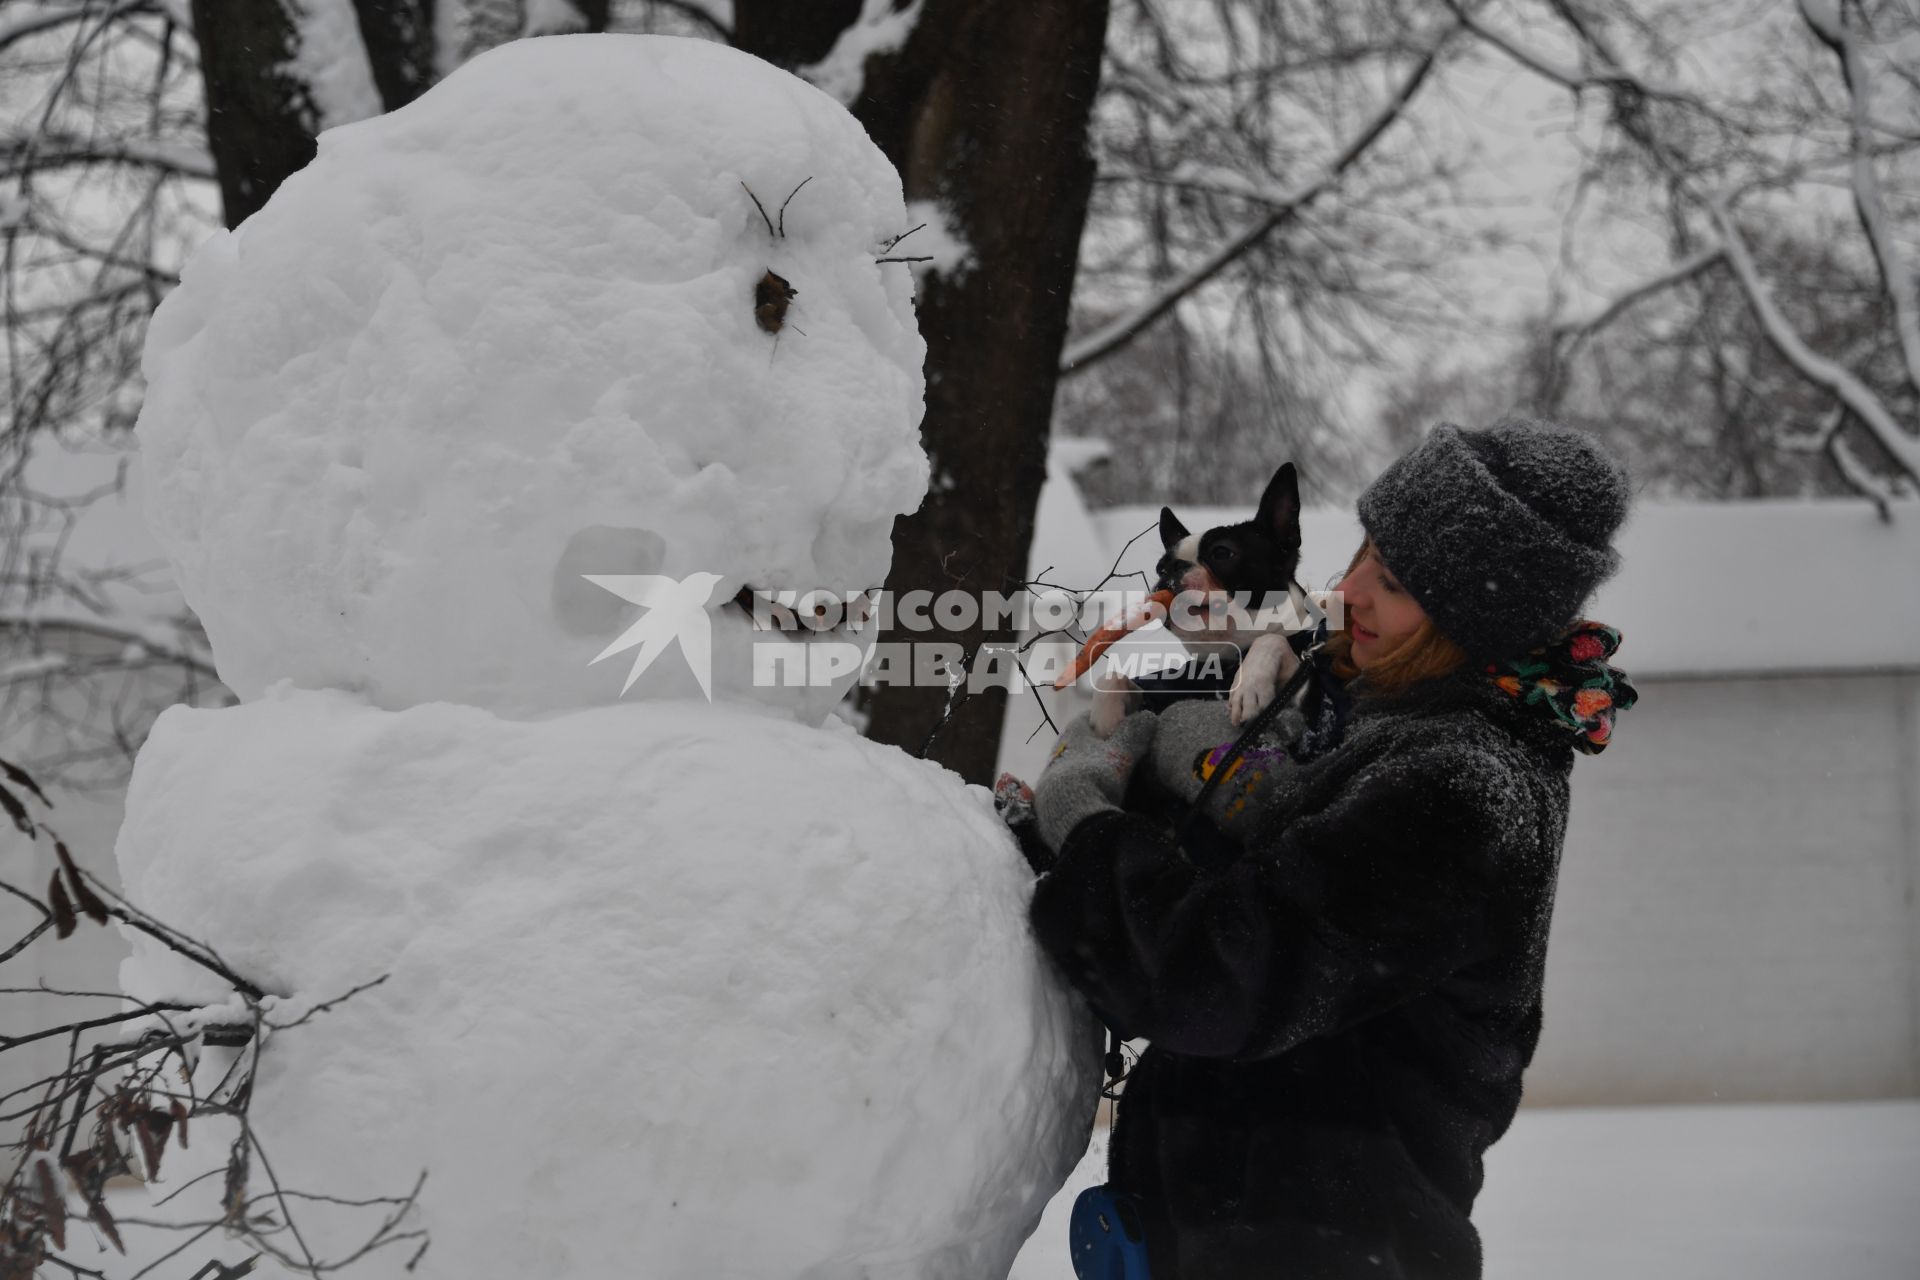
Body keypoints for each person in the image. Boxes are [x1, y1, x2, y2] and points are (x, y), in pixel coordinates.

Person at [1025, 417, 1639, 1279]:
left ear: (1474, 617)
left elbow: (1211, 978)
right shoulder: (1359, 713)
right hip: (1234, 1232)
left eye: (1389, 581)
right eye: (1360, 555)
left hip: (1324, 1244)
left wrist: (1084, 824)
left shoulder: (1459, 788)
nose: (1347, 591)